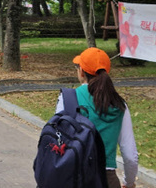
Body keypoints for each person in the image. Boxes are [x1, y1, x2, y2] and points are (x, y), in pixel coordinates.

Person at [58, 47, 138, 188]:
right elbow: (130, 156)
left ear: (81, 72)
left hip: (74, 177)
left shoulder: (68, 98)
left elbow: (57, 140)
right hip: (107, 180)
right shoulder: (119, 104)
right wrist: (129, 183)